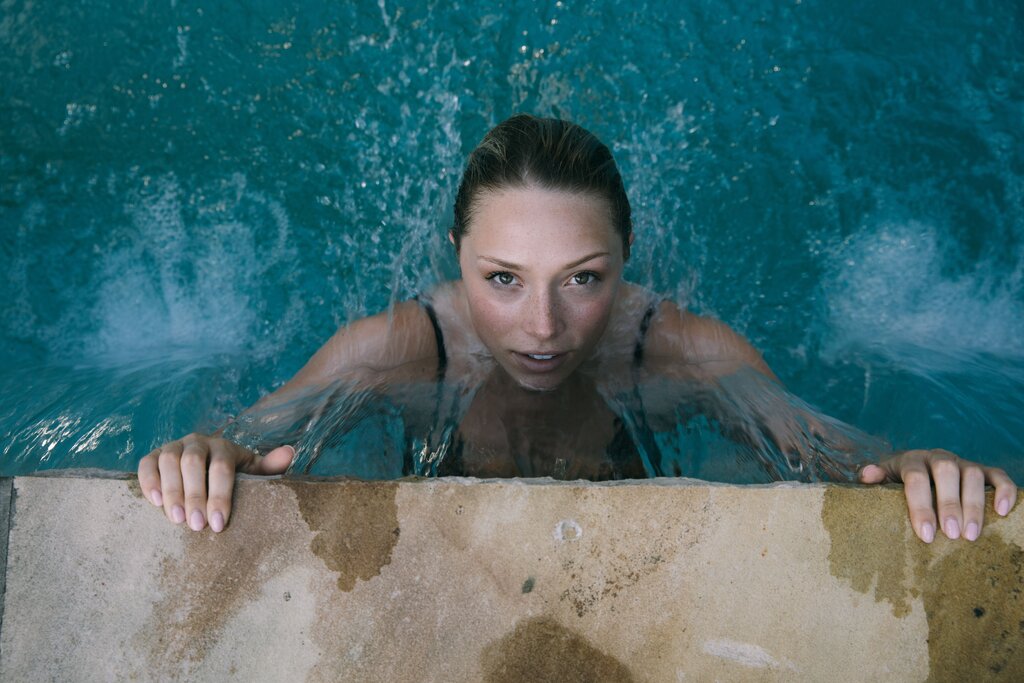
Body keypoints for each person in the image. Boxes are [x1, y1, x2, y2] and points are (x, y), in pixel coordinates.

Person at [137, 113, 1016, 543]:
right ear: (457, 253)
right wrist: (206, 452)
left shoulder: (684, 352)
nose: (543, 327)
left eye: (584, 279)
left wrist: (915, 466)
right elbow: (247, 437)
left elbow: (832, 453)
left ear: (628, 254)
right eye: (503, 280)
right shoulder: (398, 351)